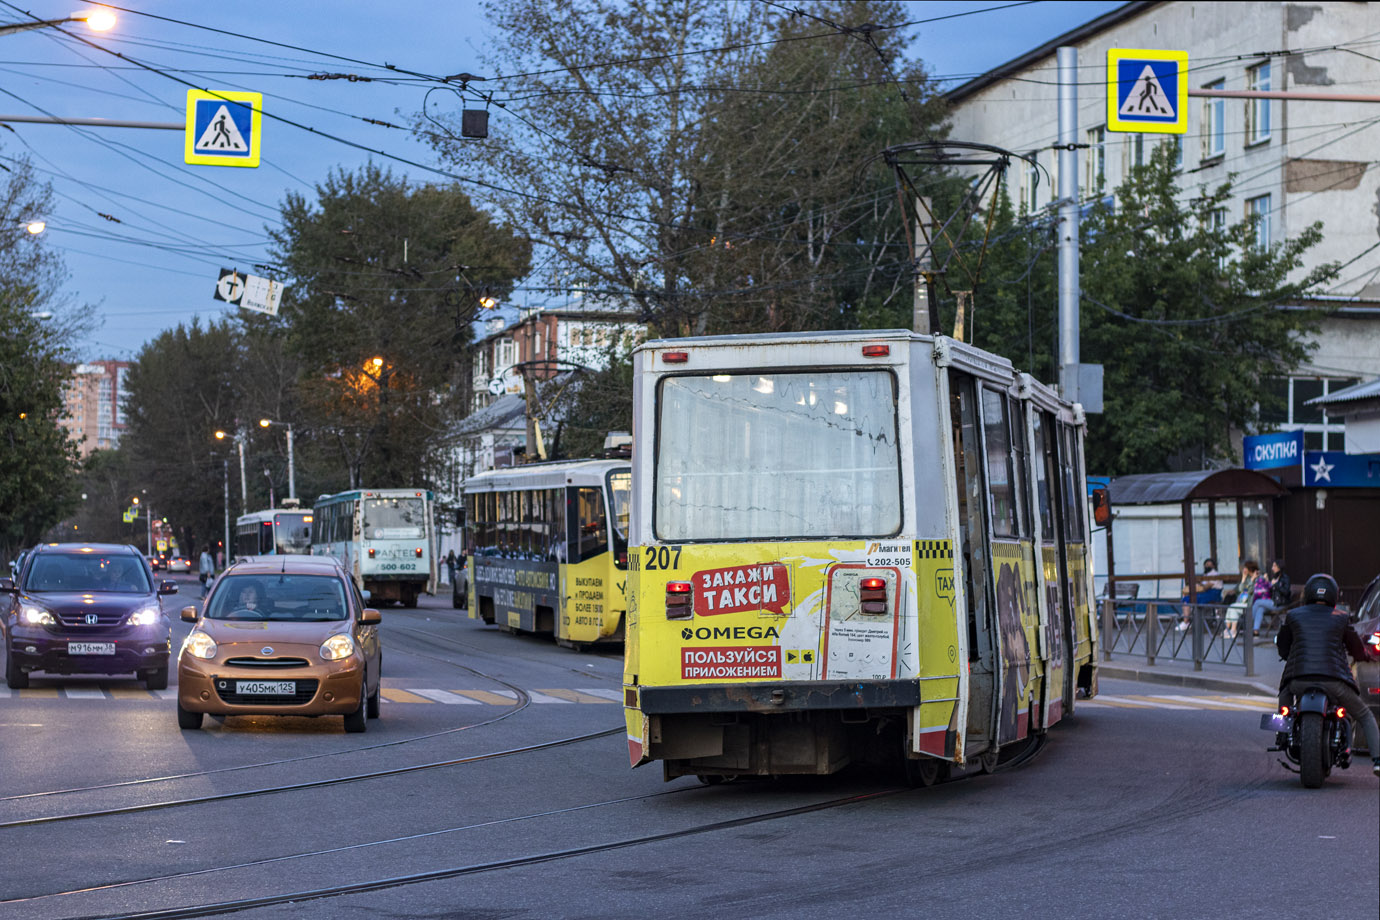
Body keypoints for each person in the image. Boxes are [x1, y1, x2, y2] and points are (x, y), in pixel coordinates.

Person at [1276, 573, 1380, 778]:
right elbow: (1356, 649)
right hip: (1334, 681)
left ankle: (1282, 734)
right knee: (1365, 715)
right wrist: (1367, 656)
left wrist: (1287, 655)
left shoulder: (1293, 616)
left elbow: (1282, 645)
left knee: (1284, 696)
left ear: (1307, 594)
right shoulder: (1341, 618)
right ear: (1334, 594)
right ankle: (1377, 761)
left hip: (1299, 680)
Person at [1179, 558, 1223, 631]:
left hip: (1213, 594)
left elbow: (1206, 587)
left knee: (1189, 599)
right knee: (1187, 598)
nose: (1207, 566)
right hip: (1206, 593)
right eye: (1206, 565)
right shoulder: (1206, 574)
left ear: (1213, 566)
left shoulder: (1215, 574)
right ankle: (1188, 620)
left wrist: (1198, 585)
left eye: (1209, 565)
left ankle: (1186, 622)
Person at [1223, 560, 1262, 640]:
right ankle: (1229, 630)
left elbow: (1251, 591)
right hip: (1242, 602)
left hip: (1251, 603)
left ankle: (1231, 630)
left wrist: (1252, 579)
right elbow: (1240, 589)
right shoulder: (1247, 578)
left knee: (1232, 607)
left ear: (1249, 569)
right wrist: (1243, 578)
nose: (1243, 569)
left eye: (1245, 568)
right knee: (1232, 609)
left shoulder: (1258, 579)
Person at [1251, 559, 1291, 636]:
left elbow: (1285, 592)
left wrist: (1275, 584)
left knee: (1257, 602)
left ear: (1279, 567)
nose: (1272, 568)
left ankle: (1248, 624)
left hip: (1280, 604)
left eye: (1274, 566)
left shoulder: (1285, 578)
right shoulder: (1275, 578)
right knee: (1260, 608)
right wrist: (1268, 582)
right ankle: (1255, 630)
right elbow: (1272, 591)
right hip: (1274, 602)